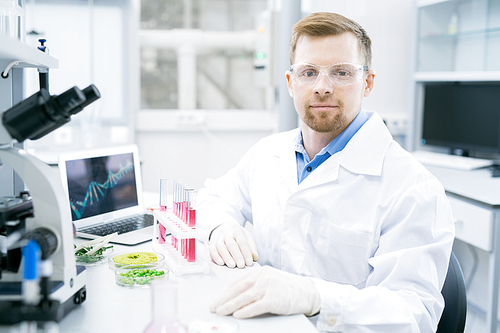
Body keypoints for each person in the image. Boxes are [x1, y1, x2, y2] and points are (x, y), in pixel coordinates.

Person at [197, 12, 455, 333]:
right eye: (308, 73)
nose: (322, 87)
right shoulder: (268, 153)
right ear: (291, 84)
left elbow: (413, 314)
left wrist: (315, 297)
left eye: (341, 73)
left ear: (367, 82)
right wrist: (221, 227)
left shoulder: (413, 188)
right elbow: (210, 198)